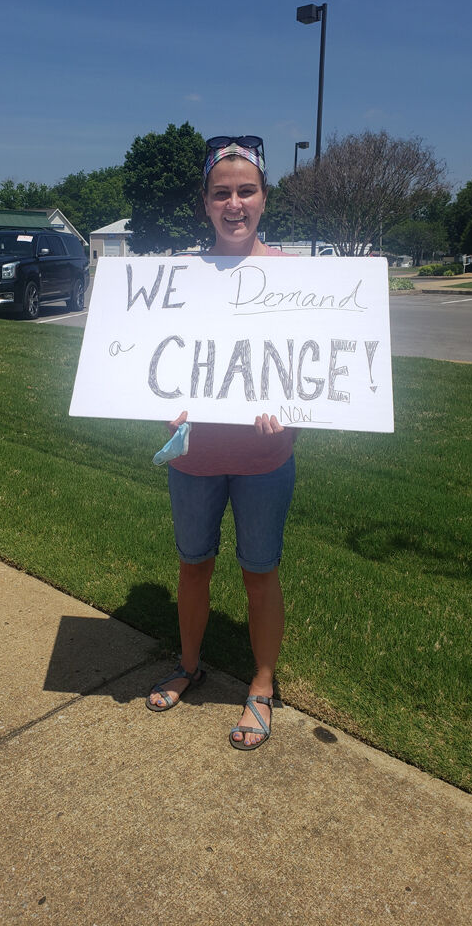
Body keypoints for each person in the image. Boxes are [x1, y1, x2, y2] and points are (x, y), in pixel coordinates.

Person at [146, 135, 297, 750]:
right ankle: (189, 665)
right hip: (195, 455)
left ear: (264, 197)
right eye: (221, 193)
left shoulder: (295, 276)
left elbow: (310, 369)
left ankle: (261, 684)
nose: (235, 204)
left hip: (265, 457)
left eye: (246, 191)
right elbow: (156, 358)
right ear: (205, 202)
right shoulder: (181, 276)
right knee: (193, 566)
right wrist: (163, 404)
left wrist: (292, 409)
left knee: (260, 572)